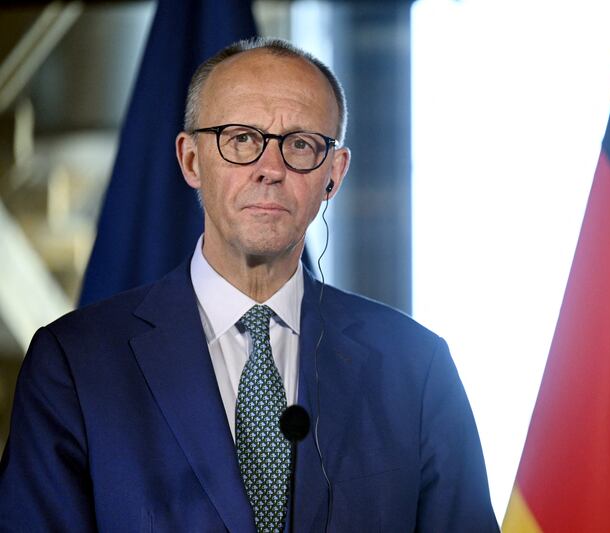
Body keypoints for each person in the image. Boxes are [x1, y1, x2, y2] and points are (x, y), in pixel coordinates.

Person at [0, 37, 497, 532]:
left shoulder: (417, 366)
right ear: (191, 160)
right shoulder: (74, 365)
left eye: (300, 144)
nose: (270, 169)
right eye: (241, 139)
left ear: (334, 174)